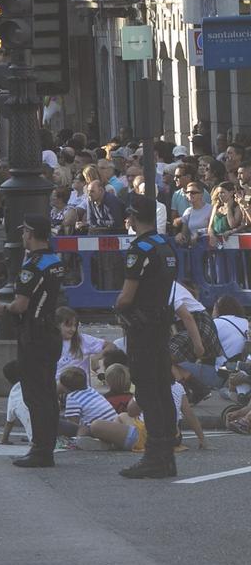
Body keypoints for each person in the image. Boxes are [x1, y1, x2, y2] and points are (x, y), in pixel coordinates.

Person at [115, 196, 180, 479]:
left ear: (132, 216)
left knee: (147, 392)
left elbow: (127, 296)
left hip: (142, 328)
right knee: (162, 389)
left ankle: (154, 456)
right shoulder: (166, 246)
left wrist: (117, 306)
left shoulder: (139, 248)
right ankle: (166, 456)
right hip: (161, 326)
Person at [0, 218, 66, 467]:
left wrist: (3, 307)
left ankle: (40, 449)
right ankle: (46, 445)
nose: (23, 235)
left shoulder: (32, 265)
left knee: (35, 394)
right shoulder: (55, 261)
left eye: (25, 231)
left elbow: (21, 304)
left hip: (34, 334)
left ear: (32, 234)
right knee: (48, 392)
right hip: (50, 330)